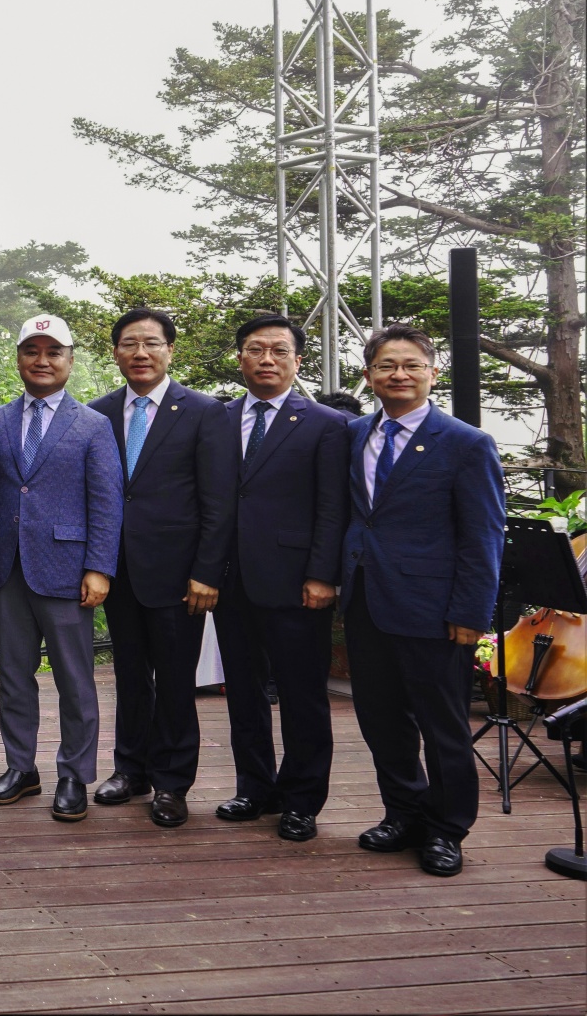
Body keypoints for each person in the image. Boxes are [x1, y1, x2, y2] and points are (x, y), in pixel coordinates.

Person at [341, 324, 505, 877]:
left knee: (443, 727)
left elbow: (483, 536)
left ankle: (447, 829)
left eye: (412, 365)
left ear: (433, 373)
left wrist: (471, 614)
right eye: (387, 366)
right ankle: (403, 812)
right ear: (369, 377)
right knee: (381, 719)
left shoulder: (466, 443)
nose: (399, 375)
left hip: (435, 610)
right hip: (366, 602)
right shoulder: (354, 433)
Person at [86, 307, 236, 827]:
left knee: (175, 681)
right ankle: (130, 770)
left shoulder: (202, 411)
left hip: (179, 575)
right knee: (128, 675)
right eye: (130, 344)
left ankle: (172, 784)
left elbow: (219, 501)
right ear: (116, 353)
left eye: (151, 343)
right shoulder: (97, 412)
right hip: (116, 568)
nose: (141, 353)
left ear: (170, 350)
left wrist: (208, 571)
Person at [212, 314, 351, 843]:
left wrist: (322, 575)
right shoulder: (218, 419)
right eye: (254, 349)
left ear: (297, 361)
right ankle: (255, 788)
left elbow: (333, 508)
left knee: (302, 695)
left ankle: (301, 800)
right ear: (241, 358)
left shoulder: (324, 424)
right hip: (230, 579)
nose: (265, 359)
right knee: (242, 693)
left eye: (277, 350)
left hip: (297, 582)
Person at [0, 313, 121, 822]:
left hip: (66, 568)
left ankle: (74, 775)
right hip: (5, 566)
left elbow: (106, 502)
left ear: (70, 360)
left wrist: (100, 567)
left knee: (74, 679)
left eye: (53, 352)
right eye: (32, 351)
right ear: (18, 358)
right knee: (14, 675)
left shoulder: (93, 425)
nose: (42, 361)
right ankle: (22, 768)